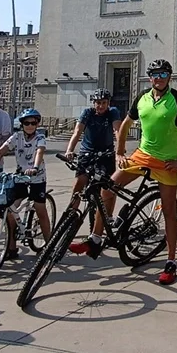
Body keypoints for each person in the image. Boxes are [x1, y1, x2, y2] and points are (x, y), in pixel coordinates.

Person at [111, 60, 177, 285]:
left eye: (163, 74)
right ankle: (96, 237)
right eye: (154, 74)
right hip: (141, 156)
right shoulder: (142, 97)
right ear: (149, 77)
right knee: (108, 188)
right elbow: (125, 126)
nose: (158, 77)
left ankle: (171, 261)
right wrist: (120, 152)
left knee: (169, 211)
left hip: (166, 163)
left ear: (169, 76)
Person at [0, 108, 51, 258]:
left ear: (37, 124)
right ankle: (11, 248)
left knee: (40, 210)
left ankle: (50, 245)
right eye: (27, 123)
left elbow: (39, 152)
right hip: (20, 178)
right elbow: (0, 151)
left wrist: (35, 168)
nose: (30, 126)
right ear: (22, 124)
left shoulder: (40, 138)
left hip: (37, 178)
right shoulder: (16, 137)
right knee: (10, 211)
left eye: (33, 123)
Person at [65, 89, 122, 257]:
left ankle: (108, 217)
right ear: (93, 103)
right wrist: (69, 150)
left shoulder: (112, 112)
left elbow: (118, 131)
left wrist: (120, 151)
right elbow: (77, 132)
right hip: (87, 153)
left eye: (104, 102)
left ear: (108, 103)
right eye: (98, 103)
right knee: (80, 182)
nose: (100, 106)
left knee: (109, 187)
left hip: (106, 154)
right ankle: (71, 214)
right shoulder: (88, 113)